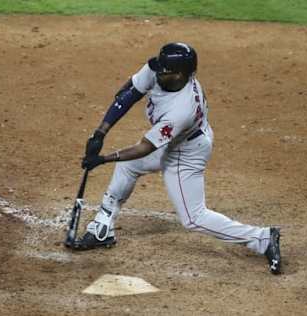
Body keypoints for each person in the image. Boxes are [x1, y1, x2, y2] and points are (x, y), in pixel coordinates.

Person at [78, 42, 282, 275]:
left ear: (179, 75)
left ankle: (262, 238)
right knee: (127, 164)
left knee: (193, 218)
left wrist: (104, 159)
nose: (157, 73)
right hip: (174, 142)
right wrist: (100, 132)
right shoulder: (162, 69)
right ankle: (102, 227)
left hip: (186, 151)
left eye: (164, 71)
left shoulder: (181, 110)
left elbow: (145, 147)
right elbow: (130, 93)